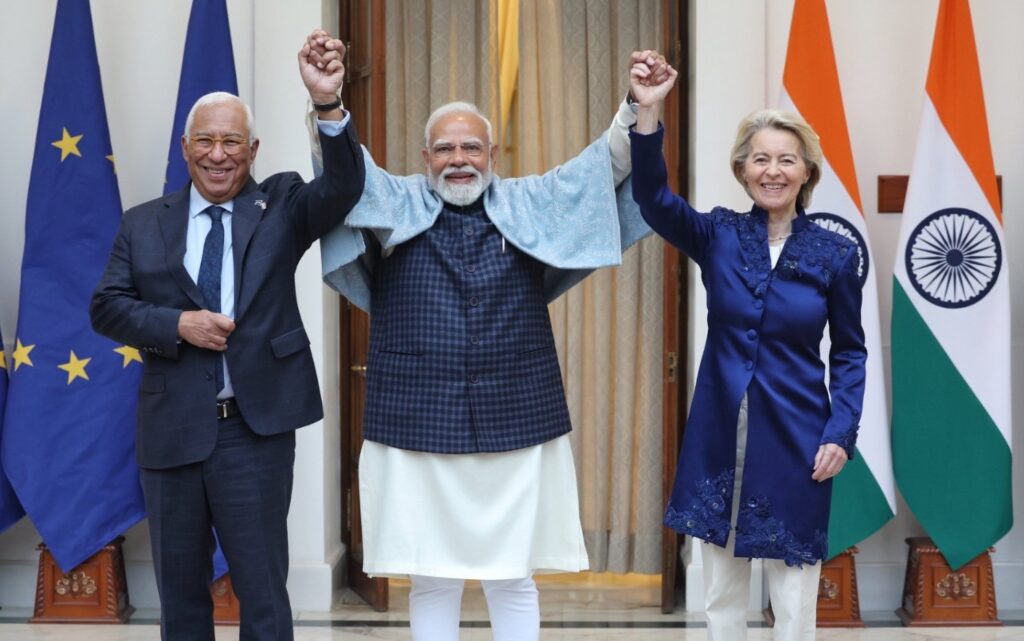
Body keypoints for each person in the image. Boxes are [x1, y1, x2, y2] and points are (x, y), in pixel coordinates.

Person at [306, 30, 666, 641]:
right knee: (431, 576)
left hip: (517, 417)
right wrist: (327, 103)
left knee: (513, 576)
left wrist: (639, 106)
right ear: (425, 157)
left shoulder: (531, 201)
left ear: (493, 154)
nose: (459, 159)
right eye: (445, 149)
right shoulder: (394, 199)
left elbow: (601, 167)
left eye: (471, 147)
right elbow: (343, 174)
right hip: (415, 419)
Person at [89, 32, 364, 641]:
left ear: (253, 149)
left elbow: (344, 188)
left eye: (232, 141)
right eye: (206, 141)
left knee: (262, 592)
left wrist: (326, 103)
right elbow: (106, 308)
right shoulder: (143, 224)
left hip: (254, 430)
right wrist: (176, 324)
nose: (218, 154)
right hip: (172, 430)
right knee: (181, 597)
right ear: (185, 148)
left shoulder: (282, 203)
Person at [628, 60, 866, 640]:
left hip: (798, 437)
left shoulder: (835, 255)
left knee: (794, 596)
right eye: (760, 159)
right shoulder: (718, 234)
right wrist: (648, 111)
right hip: (719, 434)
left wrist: (841, 432)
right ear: (741, 170)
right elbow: (652, 198)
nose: (773, 171)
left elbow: (849, 353)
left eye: (786, 160)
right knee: (722, 595)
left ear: (807, 171)